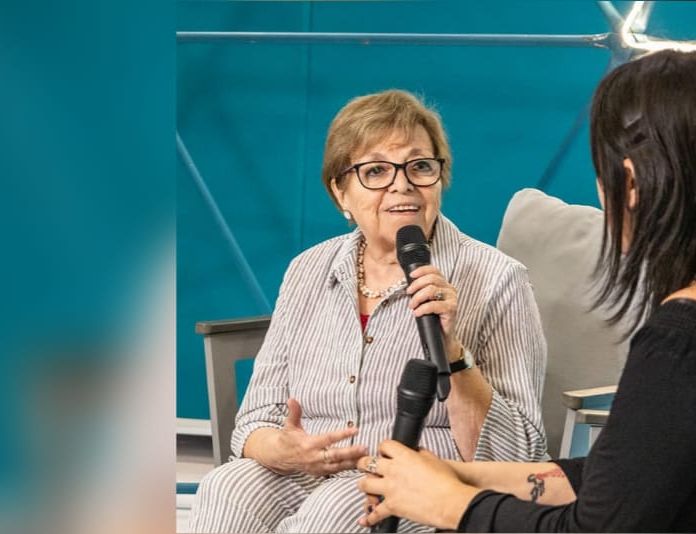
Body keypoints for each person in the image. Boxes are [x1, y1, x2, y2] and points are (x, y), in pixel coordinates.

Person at [356, 49, 696, 532]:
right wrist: (463, 475)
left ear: (630, 183)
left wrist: (448, 504)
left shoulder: (693, 334)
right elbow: (628, 476)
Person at [188, 89, 549, 533]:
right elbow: (255, 420)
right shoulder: (308, 269)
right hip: (306, 470)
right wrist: (282, 448)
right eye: (375, 170)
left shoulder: (498, 280)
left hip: (421, 477)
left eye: (419, 166)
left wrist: (452, 353)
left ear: (440, 178)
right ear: (340, 191)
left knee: (335, 513)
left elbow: (521, 454)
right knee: (227, 488)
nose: (402, 184)